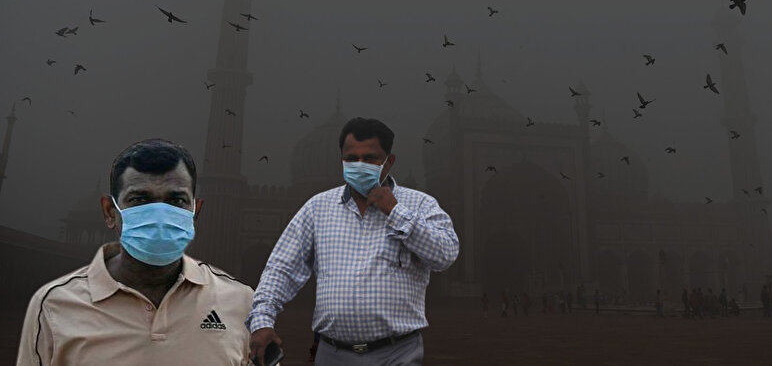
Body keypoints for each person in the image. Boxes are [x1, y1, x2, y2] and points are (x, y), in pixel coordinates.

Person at [16, 138, 254, 366]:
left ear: (195, 211)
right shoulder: (56, 306)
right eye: (140, 199)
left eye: (177, 200)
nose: (159, 214)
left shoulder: (240, 303)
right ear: (110, 212)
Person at [246, 118, 459, 365]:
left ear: (389, 161)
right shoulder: (318, 208)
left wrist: (396, 212)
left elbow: (445, 254)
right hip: (332, 353)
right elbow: (281, 269)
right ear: (341, 161)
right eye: (352, 159)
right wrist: (261, 321)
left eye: (369, 158)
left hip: (397, 353)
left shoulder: (419, 205)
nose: (359, 165)